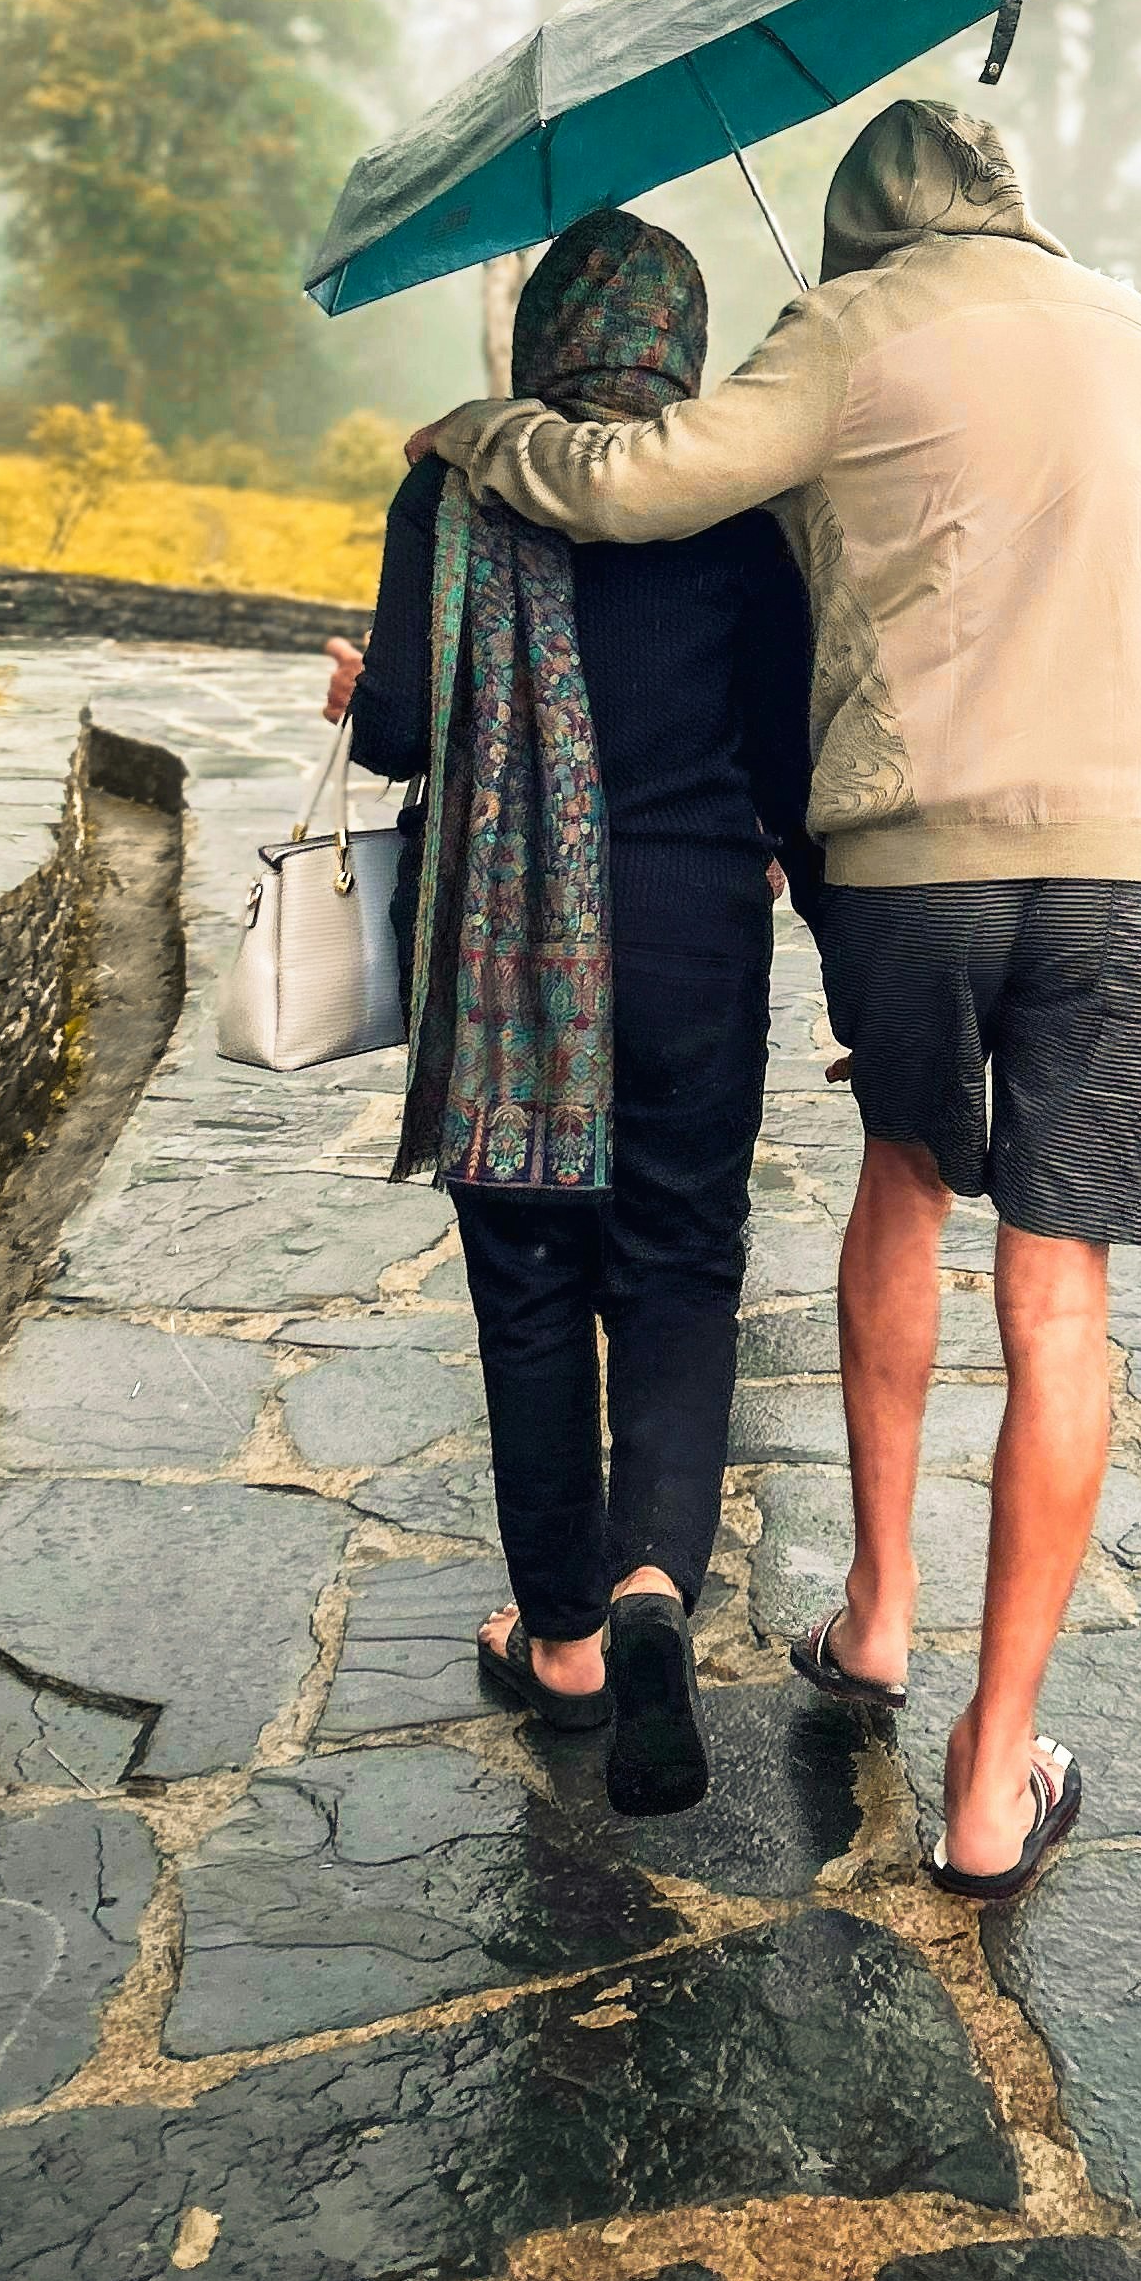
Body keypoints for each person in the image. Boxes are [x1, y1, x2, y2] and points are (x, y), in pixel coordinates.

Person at [409, 94, 1141, 1900]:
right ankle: (995, 1782)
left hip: (921, 867)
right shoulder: (1139, 333)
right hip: (1125, 860)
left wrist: (483, 434)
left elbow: (634, 485)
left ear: (860, 223)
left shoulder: (846, 327)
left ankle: (873, 1615)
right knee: (1059, 1296)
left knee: (909, 1180)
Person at [328, 205, 817, 1815]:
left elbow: (402, 732)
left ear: (546, 339)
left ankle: (560, 1643)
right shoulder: (738, 508)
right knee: (680, 1265)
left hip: (505, 955)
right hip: (691, 938)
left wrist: (365, 686)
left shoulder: (452, 485)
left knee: (529, 1284)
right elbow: (789, 764)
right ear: (676, 345)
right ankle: (656, 1583)